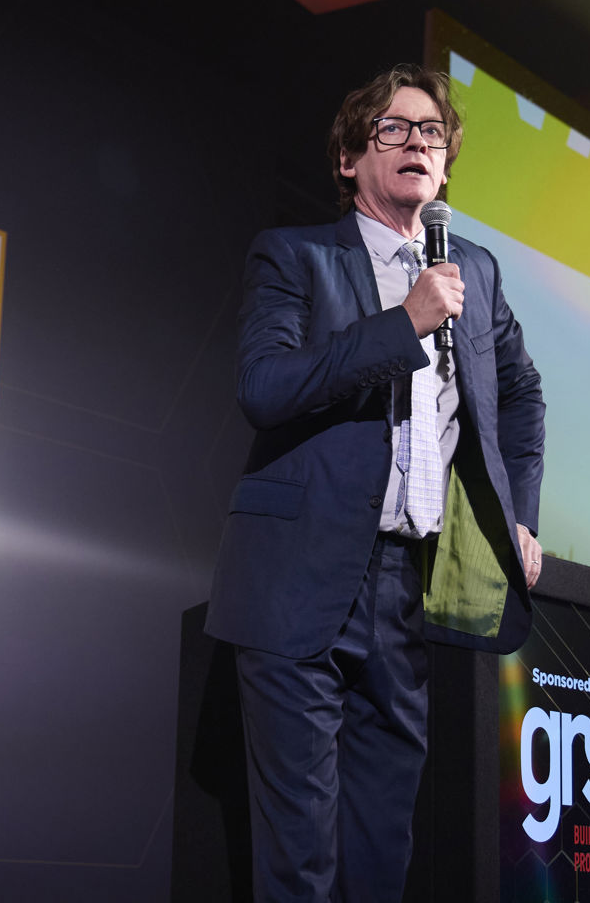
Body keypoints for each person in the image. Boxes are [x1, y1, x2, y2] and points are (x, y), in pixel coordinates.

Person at [206, 64, 545, 902]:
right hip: (297, 583)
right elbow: (264, 388)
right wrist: (404, 323)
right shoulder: (296, 256)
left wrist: (520, 516)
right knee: (301, 866)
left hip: (406, 592)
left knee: (381, 860)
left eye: (431, 132)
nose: (416, 142)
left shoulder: (475, 271)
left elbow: (520, 393)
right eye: (393, 128)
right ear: (350, 158)